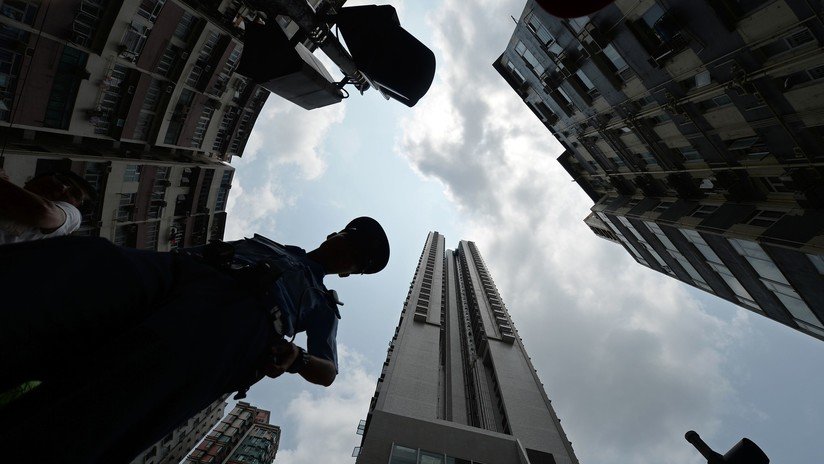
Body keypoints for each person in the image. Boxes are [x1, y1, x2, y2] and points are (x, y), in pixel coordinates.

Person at [0, 216, 390, 463]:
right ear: (332, 232)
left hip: (239, 323)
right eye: (349, 239)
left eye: (356, 258)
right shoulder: (269, 246)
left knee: (105, 406)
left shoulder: (323, 306)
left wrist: (297, 358)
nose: (346, 252)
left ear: (349, 274)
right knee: (76, 270)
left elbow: (328, 373)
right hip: (180, 274)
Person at [0, 169, 96, 244]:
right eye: (62, 180)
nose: (62, 187)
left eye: (75, 194)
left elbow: (45, 213)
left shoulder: (73, 215)